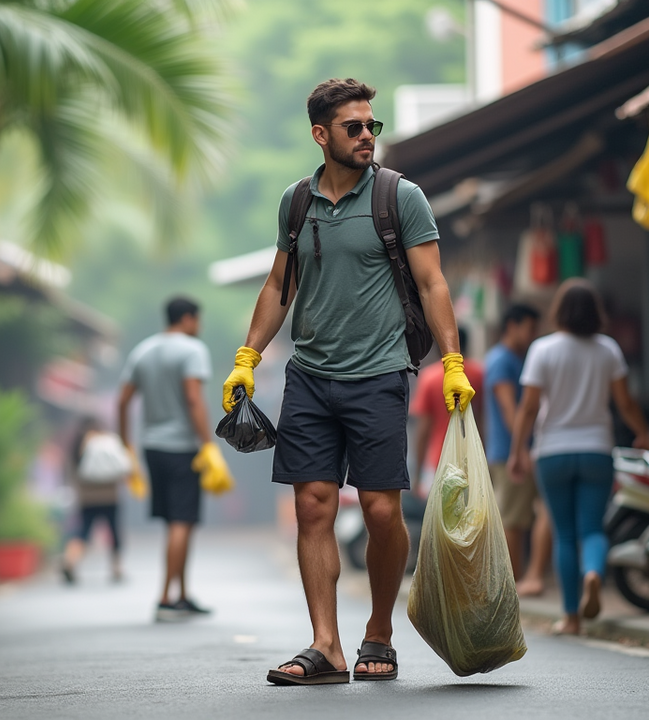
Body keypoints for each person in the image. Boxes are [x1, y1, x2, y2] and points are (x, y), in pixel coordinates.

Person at [222, 78, 474, 685]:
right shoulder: (296, 202)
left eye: (372, 126)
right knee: (313, 506)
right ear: (320, 135)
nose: (367, 136)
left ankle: (379, 634)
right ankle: (327, 646)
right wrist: (247, 357)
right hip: (308, 376)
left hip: (380, 373)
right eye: (353, 127)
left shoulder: (399, 197)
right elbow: (280, 284)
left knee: (385, 512)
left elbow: (434, 283)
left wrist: (453, 362)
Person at [508, 279, 649, 636]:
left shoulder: (542, 349)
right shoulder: (608, 350)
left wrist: (517, 451)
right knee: (592, 529)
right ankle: (593, 574)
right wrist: (643, 432)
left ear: (559, 311)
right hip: (596, 449)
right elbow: (626, 403)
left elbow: (528, 408)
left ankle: (571, 618)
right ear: (595, 312)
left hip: (552, 452)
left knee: (565, 534)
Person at [117, 296, 223, 622]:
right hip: (182, 448)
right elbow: (194, 399)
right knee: (182, 520)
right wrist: (208, 444)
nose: (199, 327)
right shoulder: (192, 351)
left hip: (151, 447)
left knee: (176, 522)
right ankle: (165, 598)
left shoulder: (143, 350)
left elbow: (122, 402)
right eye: (198, 320)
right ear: (188, 319)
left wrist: (127, 444)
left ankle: (182, 594)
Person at [483, 304, 552, 596]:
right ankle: (514, 583)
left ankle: (525, 578)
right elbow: (509, 408)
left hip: (515, 449)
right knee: (513, 520)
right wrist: (520, 449)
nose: (534, 334)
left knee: (528, 515)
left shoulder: (512, 359)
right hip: (509, 452)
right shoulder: (501, 360)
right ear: (512, 325)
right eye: (530, 327)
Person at [411, 327, 484, 496]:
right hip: (472, 461)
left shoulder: (430, 377)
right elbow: (482, 420)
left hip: (439, 462)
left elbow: (424, 429)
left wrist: (417, 475)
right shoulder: (478, 374)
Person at [61, 417, 126, 585]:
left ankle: (70, 561)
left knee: (83, 532)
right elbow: (122, 466)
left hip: (87, 498)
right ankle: (116, 568)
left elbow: (72, 472)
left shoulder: (79, 444)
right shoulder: (107, 441)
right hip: (110, 496)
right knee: (114, 532)